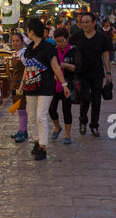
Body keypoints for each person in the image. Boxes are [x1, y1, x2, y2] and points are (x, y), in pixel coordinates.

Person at [19, 18, 70, 161]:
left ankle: (43, 147)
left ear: (32, 31)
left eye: (28, 29)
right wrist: (22, 84)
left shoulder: (48, 47)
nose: (27, 32)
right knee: (32, 116)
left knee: (41, 115)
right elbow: (27, 67)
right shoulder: (29, 48)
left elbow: (55, 66)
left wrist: (64, 84)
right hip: (31, 86)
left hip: (45, 86)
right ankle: (36, 142)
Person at [74, 13, 111, 137]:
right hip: (82, 74)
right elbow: (67, 48)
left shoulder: (101, 38)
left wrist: (108, 73)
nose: (84, 24)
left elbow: (105, 56)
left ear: (94, 22)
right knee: (85, 98)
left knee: (96, 101)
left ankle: (94, 126)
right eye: (82, 22)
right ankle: (83, 121)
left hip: (97, 74)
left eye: (87, 22)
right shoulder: (77, 36)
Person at [49, 28, 81, 145]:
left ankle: (67, 135)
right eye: (57, 41)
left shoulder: (74, 51)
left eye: (62, 41)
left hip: (68, 84)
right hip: (54, 85)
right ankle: (57, 127)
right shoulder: (53, 51)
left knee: (66, 110)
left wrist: (64, 65)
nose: (60, 44)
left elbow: (78, 68)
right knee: (51, 108)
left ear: (67, 39)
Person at [10, 33, 28, 143]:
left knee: (21, 109)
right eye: (13, 41)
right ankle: (23, 130)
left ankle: (21, 132)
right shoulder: (15, 54)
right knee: (19, 108)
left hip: (20, 85)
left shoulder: (23, 54)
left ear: (22, 42)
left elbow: (27, 69)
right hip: (15, 84)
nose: (14, 43)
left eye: (17, 41)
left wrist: (22, 84)